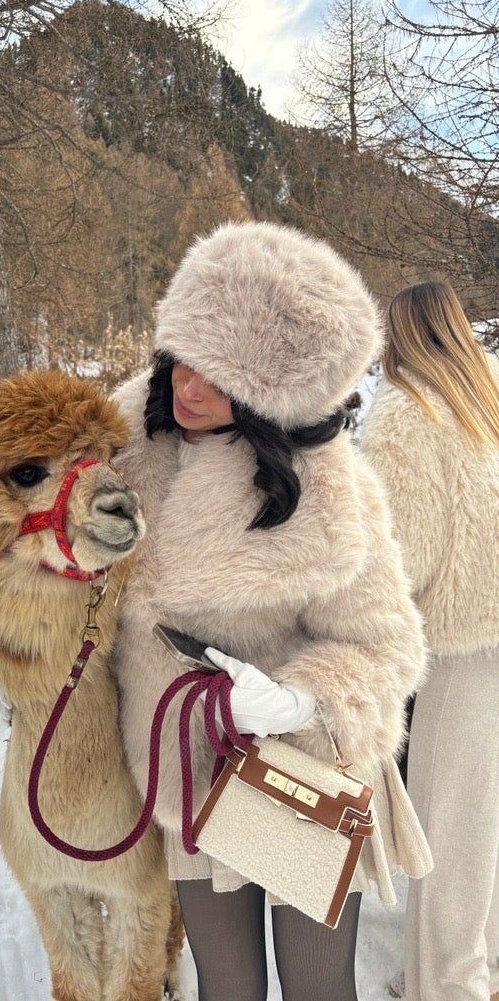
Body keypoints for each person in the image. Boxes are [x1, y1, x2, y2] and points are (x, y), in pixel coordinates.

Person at [111, 221, 433, 1001]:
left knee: (318, 988)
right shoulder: (122, 438)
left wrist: (299, 700)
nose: (188, 386)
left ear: (273, 394)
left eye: (220, 377)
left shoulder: (331, 490)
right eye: (183, 358)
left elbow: (386, 648)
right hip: (185, 771)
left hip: (297, 775)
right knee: (227, 988)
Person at [360, 280, 499, 1001]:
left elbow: (398, 558)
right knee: (490, 825)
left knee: (450, 833)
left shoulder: (406, 418)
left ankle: (449, 986)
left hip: (460, 650)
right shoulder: (490, 401)